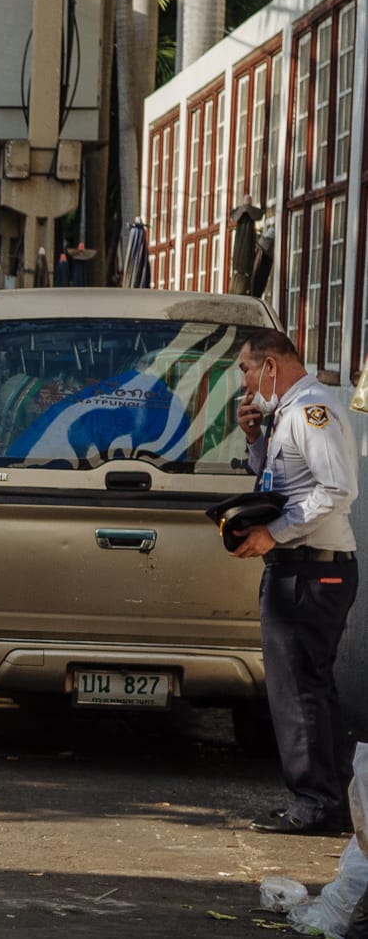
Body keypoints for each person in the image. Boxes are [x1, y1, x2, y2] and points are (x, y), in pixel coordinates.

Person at [232, 327, 357, 835]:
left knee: (297, 692)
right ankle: (331, 801)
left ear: (270, 366)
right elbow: (280, 483)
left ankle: (313, 806)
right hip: (301, 566)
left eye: (244, 368)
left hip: (312, 567)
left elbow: (337, 489)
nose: (242, 382)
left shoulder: (311, 411)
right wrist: (256, 440)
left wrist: (273, 533)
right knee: (310, 688)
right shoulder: (286, 413)